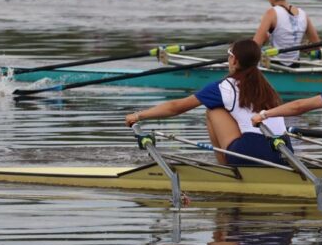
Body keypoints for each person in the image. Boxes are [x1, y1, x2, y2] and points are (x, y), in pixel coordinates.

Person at [125, 39, 292, 166]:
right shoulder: (268, 87)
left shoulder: (223, 87)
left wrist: (138, 115)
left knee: (213, 111)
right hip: (284, 152)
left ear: (234, 61)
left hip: (251, 152)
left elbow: (176, 107)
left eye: (229, 55)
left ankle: (224, 168)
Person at [253, 0, 321, 67]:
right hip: (295, 65)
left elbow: (254, 46)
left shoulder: (271, 13)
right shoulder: (303, 14)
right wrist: (301, 47)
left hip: (276, 66)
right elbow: (317, 45)